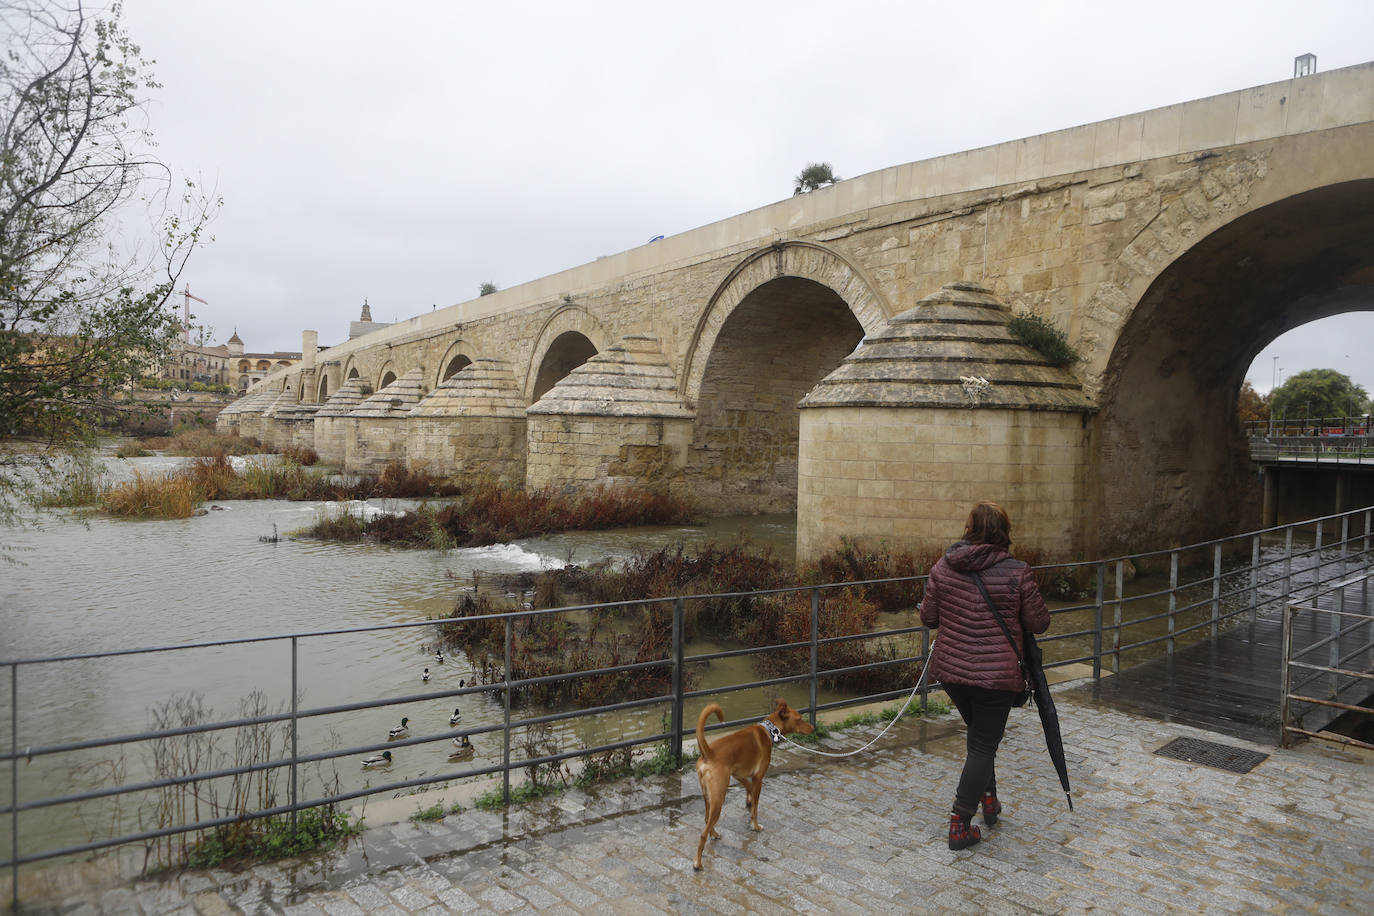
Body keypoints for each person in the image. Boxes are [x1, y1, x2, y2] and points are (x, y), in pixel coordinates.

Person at [919, 500, 1050, 851]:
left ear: (969, 529)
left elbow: (928, 618)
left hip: (953, 673)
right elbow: (1039, 622)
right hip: (996, 678)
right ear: (1004, 532)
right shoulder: (1017, 571)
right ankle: (959, 825)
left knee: (980, 739)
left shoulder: (943, 567)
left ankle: (988, 800)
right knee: (982, 745)